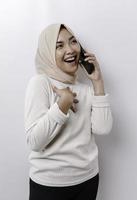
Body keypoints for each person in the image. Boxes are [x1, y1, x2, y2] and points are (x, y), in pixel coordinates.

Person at [24, 23, 113, 200]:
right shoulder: (41, 83)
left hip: (87, 179)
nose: (71, 49)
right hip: (49, 184)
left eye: (73, 42)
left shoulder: (86, 89)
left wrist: (97, 82)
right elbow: (34, 141)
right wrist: (62, 105)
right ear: (48, 52)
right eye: (59, 46)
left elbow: (103, 129)